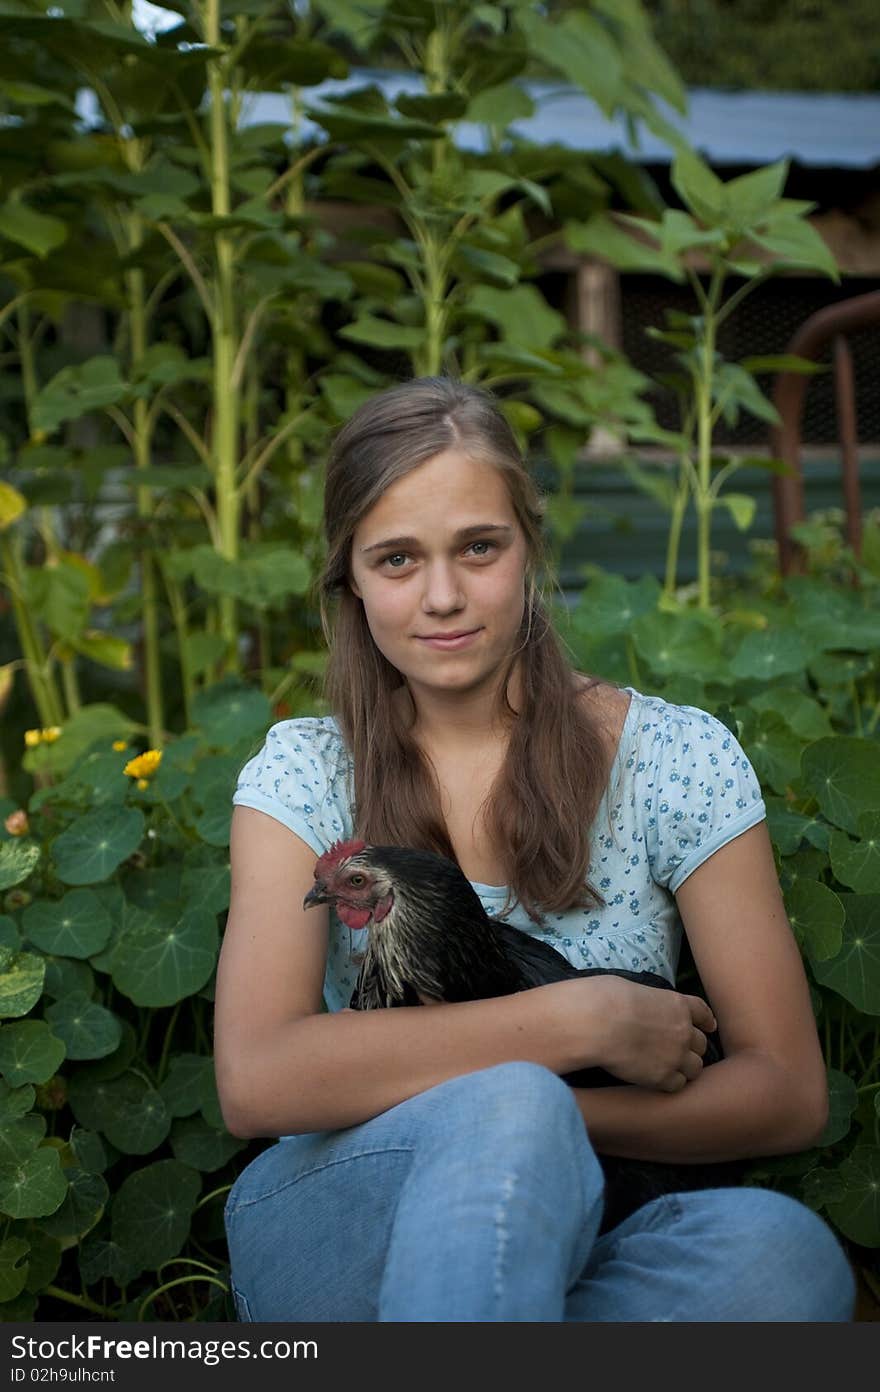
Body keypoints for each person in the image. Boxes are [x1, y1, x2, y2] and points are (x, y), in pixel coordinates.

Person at [215, 376, 856, 1322]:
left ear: (529, 547)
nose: (442, 596)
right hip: (345, 1223)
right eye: (396, 559)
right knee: (513, 1108)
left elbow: (788, 1094)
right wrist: (576, 1029)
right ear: (349, 577)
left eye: (479, 547)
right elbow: (257, 1079)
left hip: (602, 1232)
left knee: (780, 1257)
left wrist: (555, 1126)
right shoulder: (303, 775)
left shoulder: (674, 761)